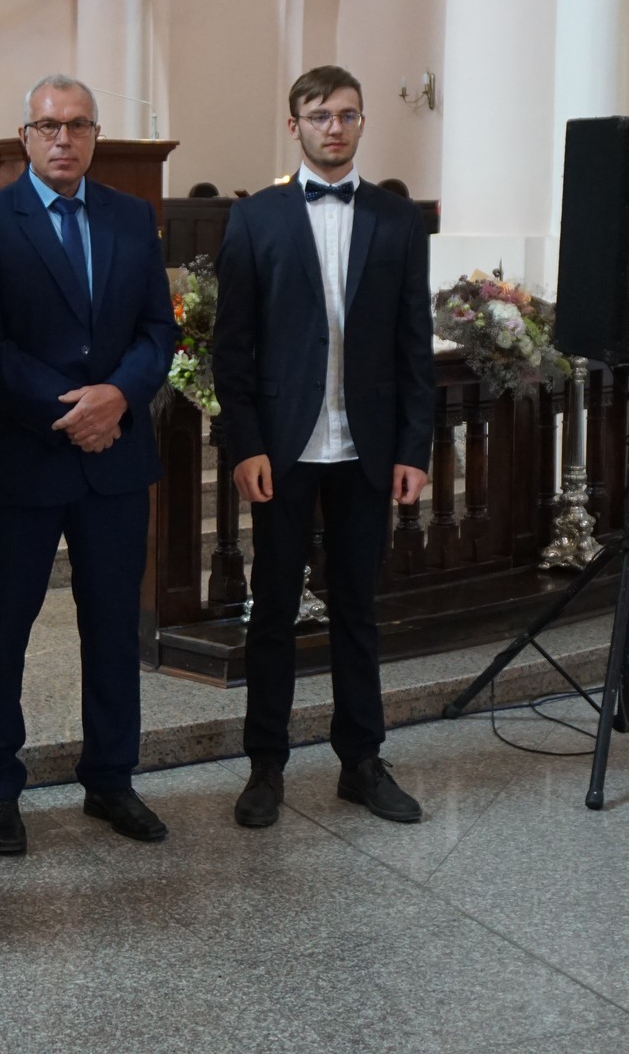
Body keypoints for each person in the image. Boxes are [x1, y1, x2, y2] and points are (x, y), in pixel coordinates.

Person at [0, 74, 180, 855]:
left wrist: (118, 395)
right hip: (21, 461)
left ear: (95, 135)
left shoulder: (129, 216)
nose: (64, 139)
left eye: (78, 125)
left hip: (116, 462)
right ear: (25, 136)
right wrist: (75, 411)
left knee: (113, 627)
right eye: (49, 125)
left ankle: (111, 777)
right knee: (0, 630)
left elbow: (158, 330)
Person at [212, 65, 435, 830]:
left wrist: (414, 448)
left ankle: (361, 760)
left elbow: (413, 345)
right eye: (318, 115)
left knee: (357, 607)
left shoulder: (398, 220)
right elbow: (231, 348)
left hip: (366, 446)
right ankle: (265, 765)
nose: (333, 127)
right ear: (294, 126)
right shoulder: (256, 219)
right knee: (273, 608)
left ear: (363, 122)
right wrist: (244, 444)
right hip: (283, 445)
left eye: (346, 114)